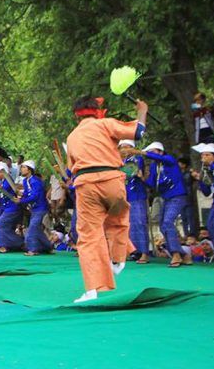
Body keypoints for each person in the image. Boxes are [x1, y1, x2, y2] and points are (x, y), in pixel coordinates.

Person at [66, 96, 147, 303]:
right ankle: (118, 259)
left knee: (88, 237)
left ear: (77, 116)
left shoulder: (72, 136)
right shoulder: (106, 124)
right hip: (112, 180)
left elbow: (70, 168)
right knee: (118, 219)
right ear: (97, 110)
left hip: (86, 184)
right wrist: (142, 111)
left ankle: (92, 289)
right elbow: (138, 132)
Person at [141, 141, 192, 268]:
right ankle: (183, 255)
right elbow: (152, 184)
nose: (151, 155)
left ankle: (175, 254)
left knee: (168, 222)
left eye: (153, 152)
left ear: (160, 152)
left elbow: (159, 158)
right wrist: (142, 178)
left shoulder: (169, 159)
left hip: (178, 195)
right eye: (150, 152)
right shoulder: (154, 167)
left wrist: (142, 153)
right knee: (163, 225)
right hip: (166, 197)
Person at [118, 140, 149, 263]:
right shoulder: (120, 161)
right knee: (127, 225)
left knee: (139, 224)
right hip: (125, 196)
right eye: (122, 148)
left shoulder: (137, 159)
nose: (124, 150)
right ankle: (132, 251)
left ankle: (144, 253)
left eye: (127, 148)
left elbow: (128, 172)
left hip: (137, 195)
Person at [17, 160, 52, 256]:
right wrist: (21, 196)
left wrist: (22, 201)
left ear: (29, 169)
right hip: (34, 209)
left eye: (23, 167)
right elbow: (27, 193)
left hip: (40, 208)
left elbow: (35, 196)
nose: (22, 169)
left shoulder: (36, 181)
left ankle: (33, 249)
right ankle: (48, 247)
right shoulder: (25, 181)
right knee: (36, 229)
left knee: (32, 228)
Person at [0, 162, 23, 253]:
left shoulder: (8, 180)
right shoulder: (1, 181)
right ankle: (18, 243)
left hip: (12, 208)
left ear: (2, 172)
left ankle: (3, 246)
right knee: (4, 227)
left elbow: (2, 189)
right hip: (6, 208)